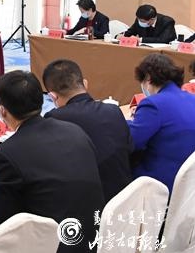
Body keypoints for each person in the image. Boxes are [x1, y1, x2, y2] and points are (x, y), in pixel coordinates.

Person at [0, 71, 103, 253]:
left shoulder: (7, 154)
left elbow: (5, 224)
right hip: (96, 245)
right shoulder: (75, 131)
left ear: (2, 111)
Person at [42, 59, 133, 202]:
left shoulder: (54, 119)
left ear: (52, 96)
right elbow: (130, 148)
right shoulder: (113, 110)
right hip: (126, 196)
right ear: (85, 84)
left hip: (88, 203)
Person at [127, 53, 195, 192]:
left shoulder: (153, 104)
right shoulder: (192, 99)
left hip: (159, 183)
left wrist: (124, 122)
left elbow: (132, 141)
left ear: (148, 78)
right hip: (188, 184)